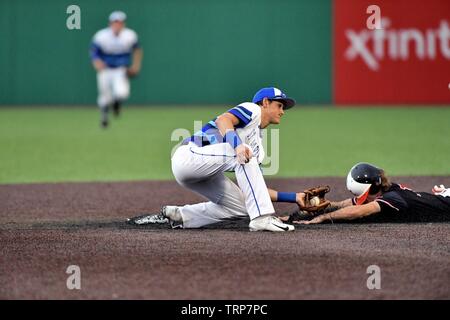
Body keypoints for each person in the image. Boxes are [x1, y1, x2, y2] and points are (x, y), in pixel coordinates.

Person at [158, 87, 307, 232]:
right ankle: (261, 218)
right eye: (279, 105)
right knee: (244, 153)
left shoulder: (256, 147)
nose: (282, 112)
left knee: (244, 207)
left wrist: (295, 197)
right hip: (188, 157)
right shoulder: (253, 109)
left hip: (203, 171)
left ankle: (182, 216)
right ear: (265, 102)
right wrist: (237, 146)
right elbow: (223, 120)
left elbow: (257, 189)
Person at [296, 162, 450, 225]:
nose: (362, 200)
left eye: (364, 195)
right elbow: (348, 204)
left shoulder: (393, 198)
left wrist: (324, 217)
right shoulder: (386, 189)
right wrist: (327, 205)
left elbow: (358, 211)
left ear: (374, 189)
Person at [90, 11, 143, 128]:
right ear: (110, 23)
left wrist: (136, 66)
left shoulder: (130, 35)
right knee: (105, 95)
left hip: (120, 70)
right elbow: (94, 52)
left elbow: (137, 50)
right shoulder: (101, 36)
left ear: (123, 24)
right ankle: (104, 118)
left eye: (120, 22)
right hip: (105, 69)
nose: (117, 25)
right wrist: (96, 62)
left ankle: (116, 105)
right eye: (115, 22)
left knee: (122, 93)